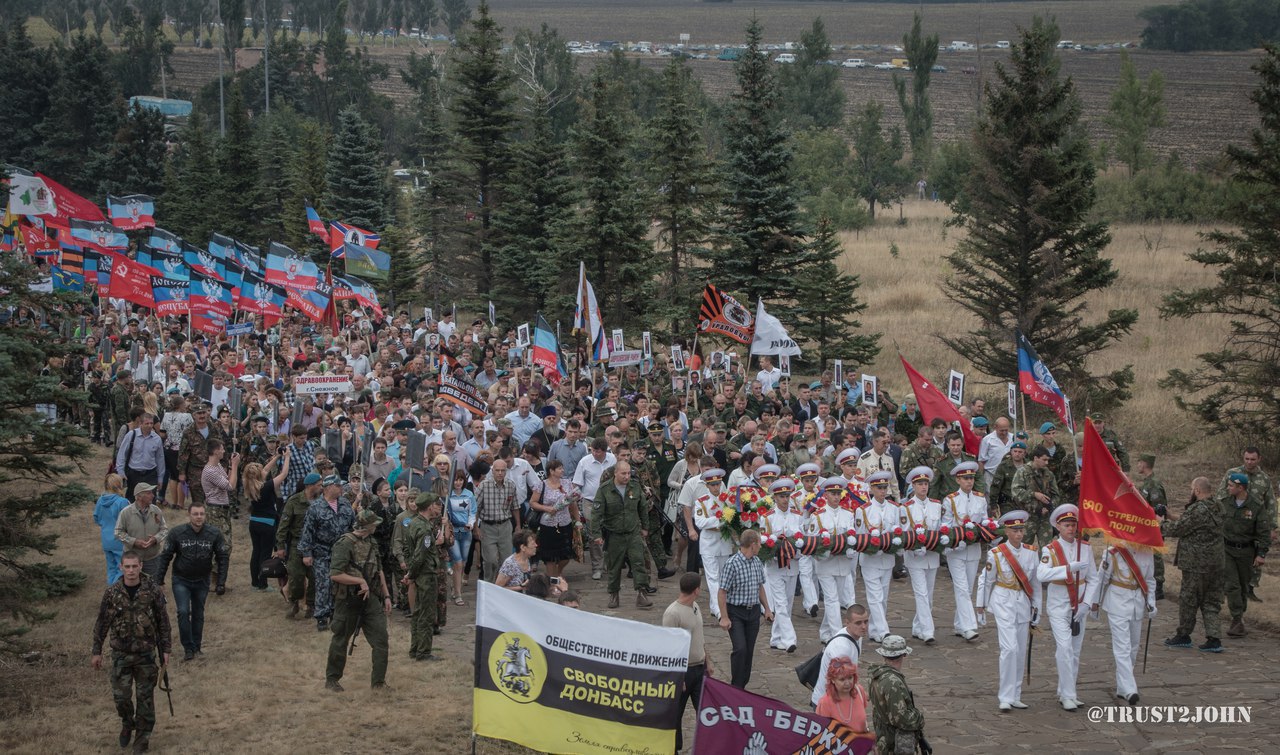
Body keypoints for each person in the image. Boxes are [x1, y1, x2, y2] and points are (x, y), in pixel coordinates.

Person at [91, 550, 172, 753]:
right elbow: (102, 622)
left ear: (141, 566)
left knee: (145, 700)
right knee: (122, 698)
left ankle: (142, 740)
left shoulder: (152, 590)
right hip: (120, 655)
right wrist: (96, 651)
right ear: (121, 567)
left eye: (134, 566)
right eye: (127, 566)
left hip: (145, 654)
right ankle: (128, 723)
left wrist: (166, 649)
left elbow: (163, 621)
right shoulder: (112, 593)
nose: (131, 570)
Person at [975, 510, 1042, 711]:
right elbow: (985, 581)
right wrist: (981, 606)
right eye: (1014, 530)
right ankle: (1005, 696)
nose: (1019, 534)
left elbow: (1035, 584)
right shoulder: (996, 554)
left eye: (1021, 529)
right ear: (1007, 531)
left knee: (1020, 650)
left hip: (1022, 603)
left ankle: (1016, 694)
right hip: (1003, 600)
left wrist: (1037, 608)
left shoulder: (1031, 552)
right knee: (1009, 648)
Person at [1034, 504, 1095, 711]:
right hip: (1059, 605)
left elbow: (1094, 579)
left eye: (1073, 525)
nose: (1071, 528)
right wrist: (1068, 569)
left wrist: (1087, 604)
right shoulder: (1049, 550)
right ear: (1058, 527)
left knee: (1075, 651)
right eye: (1067, 525)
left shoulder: (1085, 548)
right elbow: (1041, 575)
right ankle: (1069, 695)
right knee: (1065, 648)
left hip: (1080, 606)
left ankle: (1065, 689)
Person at [325, 509, 393, 691]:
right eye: (374, 524)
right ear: (367, 526)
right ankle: (332, 679)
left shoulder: (372, 542)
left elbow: (379, 571)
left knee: (381, 639)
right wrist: (359, 581)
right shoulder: (344, 544)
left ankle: (378, 683)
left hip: (370, 599)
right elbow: (335, 574)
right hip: (348, 599)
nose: (376, 527)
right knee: (340, 639)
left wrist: (386, 596)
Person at [155, 502, 230, 661]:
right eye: (195, 514)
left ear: (205, 515)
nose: (199, 517)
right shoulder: (177, 533)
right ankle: (188, 647)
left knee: (198, 614)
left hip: (202, 580)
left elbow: (223, 557)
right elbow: (166, 556)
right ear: (189, 515)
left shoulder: (214, 533)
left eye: (201, 514)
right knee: (183, 612)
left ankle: (197, 646)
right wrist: (159, 579)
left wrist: (221, 582)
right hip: (181, 579)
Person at [1086, 538, 1156, 706]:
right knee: (1122, 647)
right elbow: (1102, 579)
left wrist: (1151, 602)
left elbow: (1150, 579)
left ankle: (1122, 686)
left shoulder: (1147, 552)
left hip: (1137, 603)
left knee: (1133, 646)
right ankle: (1130, 688)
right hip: (1117, 602)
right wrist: (1094, 604)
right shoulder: (1112, 553)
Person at [1162, 477, 1226, 653]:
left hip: (1197, 564)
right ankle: (1214, 638)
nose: (1191, 492)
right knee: (1211, 601)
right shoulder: (1218, 506)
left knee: (1189, 600)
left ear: (1197, 490)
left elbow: (1178, 528)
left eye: (1192, 489)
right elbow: (1192, 523)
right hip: (1217, 563)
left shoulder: (1198, 509)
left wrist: (1157, 524)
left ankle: (1183, 635)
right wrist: (1171, 515)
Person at [298, 474, 358, 631]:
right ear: (329, 487)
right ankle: (322, 616)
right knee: (324, 583)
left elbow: (354, 526)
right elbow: (307, 532)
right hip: (322, 551)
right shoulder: (315, 508)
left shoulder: (345, 504)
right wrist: (306, 553)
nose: (341, 489)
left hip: (342, 551)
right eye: (338, 486)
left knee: (340, 583)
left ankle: (336, 612)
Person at [590, 460, 653, 609]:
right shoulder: (605, 490)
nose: (626, 476)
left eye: (628, 473)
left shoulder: (635, 487)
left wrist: (645, 527)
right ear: (615, 473)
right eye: (623, 473)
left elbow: (642, 508)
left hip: (633, 532)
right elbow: (596, 514)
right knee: (614, 566)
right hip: (614, 534)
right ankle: (614, 594)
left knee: (639, 562)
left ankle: (642, 593)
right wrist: (597, 535)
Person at [662, 572, 714, 753]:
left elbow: (699, 636)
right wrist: (677, 676)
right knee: (676, 715)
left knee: (706, 711)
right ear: (697, 590)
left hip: (699, 669)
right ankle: (674, 749)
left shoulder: (695, 606)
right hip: (683, 673)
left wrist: (707, 660)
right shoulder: (672, 613)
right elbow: (668, 647)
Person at [1216, 447, 1275, 603]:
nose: (1249, 462)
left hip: (1256, 521)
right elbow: (1220, 495)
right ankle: (1227, 589)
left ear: (1259, 459)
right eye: (1247, 459)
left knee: (1255, 554)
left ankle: (1250, 588)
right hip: (1234, 519)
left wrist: (1273, 527)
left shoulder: (1264, 479)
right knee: (1228, 556)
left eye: (1253, 459)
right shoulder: (1233, 474)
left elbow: (1271, 503)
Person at [716, 528, 773, 689]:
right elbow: (722, 592)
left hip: (753, 612)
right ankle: (736, 686)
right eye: (759, 544)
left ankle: (742, 685)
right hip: (736, 612)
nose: (761, 547)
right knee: (740, 649)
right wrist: (724, 616)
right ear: (753, 545)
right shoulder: (732, 564)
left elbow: (760, 587)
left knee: (748, 651)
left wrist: (767, 609)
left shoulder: (756, 562)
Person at [1217, 471, 1270, 638]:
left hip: (1246, 551)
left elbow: (1263, 532)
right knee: (1232, 585)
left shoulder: (1256, 506)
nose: (1228, 487)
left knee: (1243, 586)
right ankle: (1237, 619)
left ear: (1240, 488)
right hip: (1227, 550)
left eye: (1231, 486)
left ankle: (1239, 618)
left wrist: (1261, 554)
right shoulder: (1224, 503)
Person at [807, 477, 858, 642]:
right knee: (832, 599)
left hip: (843, 564)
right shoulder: (818, 516)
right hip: (825, 565)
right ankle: (839, 636)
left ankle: (825, 632)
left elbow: (853, 538)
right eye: (832, 493)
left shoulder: (848, 514)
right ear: (826, 495)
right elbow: (812, 542)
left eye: (838, 493)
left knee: (835, 599)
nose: (836, 497)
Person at [940, 462, 986, 641]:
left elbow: (984, 522)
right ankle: (969, 626)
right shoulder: (950, 500)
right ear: (958, 480)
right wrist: (955, 540)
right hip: (956, 550)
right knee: (961, 587)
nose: (969, 481)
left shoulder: (980, 498)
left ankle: (959, 624)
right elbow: (946, 524)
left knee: (968, 587)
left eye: (972, 478)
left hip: (973, 549)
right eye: (965, 478)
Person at [901, 467, 943, 644]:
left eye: (925, 484)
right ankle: (928, 630)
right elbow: (904, 533)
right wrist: (914, 546)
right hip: (915, 557)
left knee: (929, 594)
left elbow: (940, 530)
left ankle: (918, 626)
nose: (923, 487)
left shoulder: (937, 505)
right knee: (921, 593)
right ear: (913, 486)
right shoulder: (906, 507)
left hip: (932, 556)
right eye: (919, 484)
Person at [407, 494, 450, 661]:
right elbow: (420, 555)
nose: (436, 507)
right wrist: (412, 573)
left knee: (418, 612)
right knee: (426, 613)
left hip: (419, 574)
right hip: (426, 574)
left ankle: (415, 648)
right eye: (434, 504)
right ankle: (423, 651)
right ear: (429, 507)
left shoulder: (414, 523)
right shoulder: (424, 529)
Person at [273, 471, 322, 619]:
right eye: (319, 485)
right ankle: (294, 602)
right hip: (297, 544)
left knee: (314, 577)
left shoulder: (321, 501)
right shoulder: (294, 501)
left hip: (315, 545)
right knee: (296, 576)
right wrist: (280, 546)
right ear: (310, 486)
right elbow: (283, 525)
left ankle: (312, 606)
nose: (321, 488)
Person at [762, 478, 803, 653]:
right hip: (774, 566)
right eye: (781, 496)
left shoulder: (798, 517)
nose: (785, 499)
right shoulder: (768, 518)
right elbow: (765, 541)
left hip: (792, 565)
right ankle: (789, 639)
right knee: (780, 603)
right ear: (775, 498)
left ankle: (776, 638)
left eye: (787, 496)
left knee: (788, 602)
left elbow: (803, 541)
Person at [867, 635, 924, 754]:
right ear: (903, 655)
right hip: (892, 743)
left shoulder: (876, 675)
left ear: (883, 655)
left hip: (882, 736)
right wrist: (918, 717)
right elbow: (900, 719)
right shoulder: (893, 682)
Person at [528, 459, 582, 583]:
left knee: (566, 554)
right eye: (559, 468)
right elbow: (533, 502)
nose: (562, 470)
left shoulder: (567, 483)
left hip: (565, 523)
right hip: (548, 525)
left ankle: (558, 572)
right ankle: (553, 581)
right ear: (551, 471)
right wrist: (546, 508)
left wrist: (578, 521)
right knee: (549, 556)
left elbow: (572, 503)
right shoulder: (541, 485)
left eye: (562, 468)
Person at [244, 451, 289, 591]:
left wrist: (276, 457)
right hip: (267, 524)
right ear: (259, 475)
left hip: (254, 523)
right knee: (265, 554)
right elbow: (284, 474)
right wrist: (287, 457)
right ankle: (263, 584)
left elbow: (265, 469)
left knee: (256, 552)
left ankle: (254, 583)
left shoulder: (247, 484)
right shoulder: (266, 486)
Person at [693, 469, 733, 620]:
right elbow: (700, 522)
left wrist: (719, 521)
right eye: (712, 485)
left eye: (718, 484)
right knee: (712, 578)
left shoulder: (727, 499)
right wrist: (720, 520)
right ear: (707, 486)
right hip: (709, 544)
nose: (716, 487)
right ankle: (718, 609)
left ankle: (715, 605)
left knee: (723, 577)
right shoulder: (701, 501)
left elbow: (734, 517)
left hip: (724, 543)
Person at [811, 604, 869, 709]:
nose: (864, 626)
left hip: (836, 697)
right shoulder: (841, 648)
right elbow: (841, 681)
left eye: (866, 621)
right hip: (828, 703)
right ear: (847, 623)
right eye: (858, 623)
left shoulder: (856, 634)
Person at [199, 439, 240, 577]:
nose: (223, 451)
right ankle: (213, 576)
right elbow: (230, 487)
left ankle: (218, 578)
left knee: (224, 544)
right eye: (222, 449)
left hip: (223, 508)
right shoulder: (210, 470)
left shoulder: (218, 466)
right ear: (216, 451)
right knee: (223, 545)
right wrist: (235, 466)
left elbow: (227, 480)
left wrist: (229, 466)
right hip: (214, 510)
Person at [114, 483, 169, 583]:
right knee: (132, 585)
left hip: (152, 557)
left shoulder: (156, 511)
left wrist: (155, 539)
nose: (152, 495)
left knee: (153, 586)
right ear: (139, 496)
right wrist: (134, 541)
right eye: (149, 493)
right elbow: (118, 532)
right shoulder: (126, 512)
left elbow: (164, 530)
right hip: (132, 559)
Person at [476, 459, 520, 583]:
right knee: (490, 560)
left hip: (505, 525)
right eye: (497, 470)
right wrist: (476, 528)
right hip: (488, 526)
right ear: (492, 471)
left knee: (506, 560)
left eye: (503, 470)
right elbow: (476, 508)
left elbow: (515, 507)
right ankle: (488, 584)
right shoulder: (484, 486)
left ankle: (502, 585)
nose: (500, 473)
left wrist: (518, 525)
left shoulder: (511, 485)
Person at [1135, 454, 1168, 600]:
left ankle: (1158, 586)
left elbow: (1159, 509)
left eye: (1139, 462)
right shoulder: (1147, 482)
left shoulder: (1154, 484)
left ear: (1145, 464)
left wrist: (1156, 527)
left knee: (1155, 555)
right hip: (1147, 526)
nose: (1137, 465)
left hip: (1154, 526)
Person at [1012, 447, 1059, 546]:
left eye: (1047, 460)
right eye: (1044, 460)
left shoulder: (1048, 474)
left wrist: (1049, 507)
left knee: (1047, 548)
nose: (1046, 463)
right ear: (1035, 458)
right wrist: (1034, 494)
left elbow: (1056, 495)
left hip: (1045, 518)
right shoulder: (1023, 472)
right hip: (1028, 517)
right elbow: (1016, 492)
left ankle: (1044, 561)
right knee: (1023, 547)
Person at [115, 412, 165, 501]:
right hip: (134, 473)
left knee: (150, 499)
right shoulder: (131, 435)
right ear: (140, 424)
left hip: (150, 473)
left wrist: (160, 478)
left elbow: (160, 459)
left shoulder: (157, 439)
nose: (150, 426)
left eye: (151, 423)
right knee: (132, 499)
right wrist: (121, 472)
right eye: (147, 423)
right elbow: (122, 454)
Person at [445, 470, 477, 604]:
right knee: (457, 562)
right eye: (456, 480)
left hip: (466, 533)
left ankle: (455, 586)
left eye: (461, 480)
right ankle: (458, 594)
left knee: (462, 563)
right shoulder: (448, 495)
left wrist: (470, 524)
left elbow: (473, 512)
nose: (458, 482)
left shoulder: (469, 495)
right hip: (453, 532)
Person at [94, 474, 132, 584]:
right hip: (120, 540)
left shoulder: (100, 500)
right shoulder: (122, 501)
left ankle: (110, 591)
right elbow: (129, 521)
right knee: (122, 568)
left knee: (111, 568)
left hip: (106, 538)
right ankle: (115, 591)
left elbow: (96, 518)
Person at [817, 657, 870, 733]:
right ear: (832, 680)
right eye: (842, 679)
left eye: (850, 678)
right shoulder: (825, 703)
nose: (847, 683)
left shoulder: (859, 691)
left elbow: (863, 722)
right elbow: (822, 733)